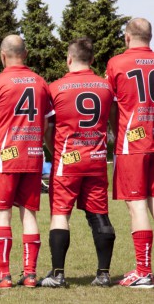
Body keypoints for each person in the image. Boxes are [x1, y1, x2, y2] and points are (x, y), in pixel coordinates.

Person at [0, 35, 53, 288]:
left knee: (2, 214)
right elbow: (47, 122)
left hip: (6, 159)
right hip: (32, 157)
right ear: (26, 54)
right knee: (28, 213)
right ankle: (30, 275)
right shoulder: (41, 83)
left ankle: (4, 276)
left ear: (2, 55)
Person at [39, 38, 115, 288]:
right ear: (92, 60)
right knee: (99, 214)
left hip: (67, 161)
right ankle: (103, 274)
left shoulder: (56, 88)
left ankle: (58, 274)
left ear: (69, 58)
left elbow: (48, 128)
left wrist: (56, 151)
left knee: (60, 214)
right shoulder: (106, 87)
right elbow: (112, 124)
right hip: (96, 160)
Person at [106, 18, 154, 288]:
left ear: (127, 38)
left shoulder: (117, 63)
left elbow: (112, 108)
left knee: (137, 204)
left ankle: (144, 271)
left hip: (133, 143)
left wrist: (118, 133)